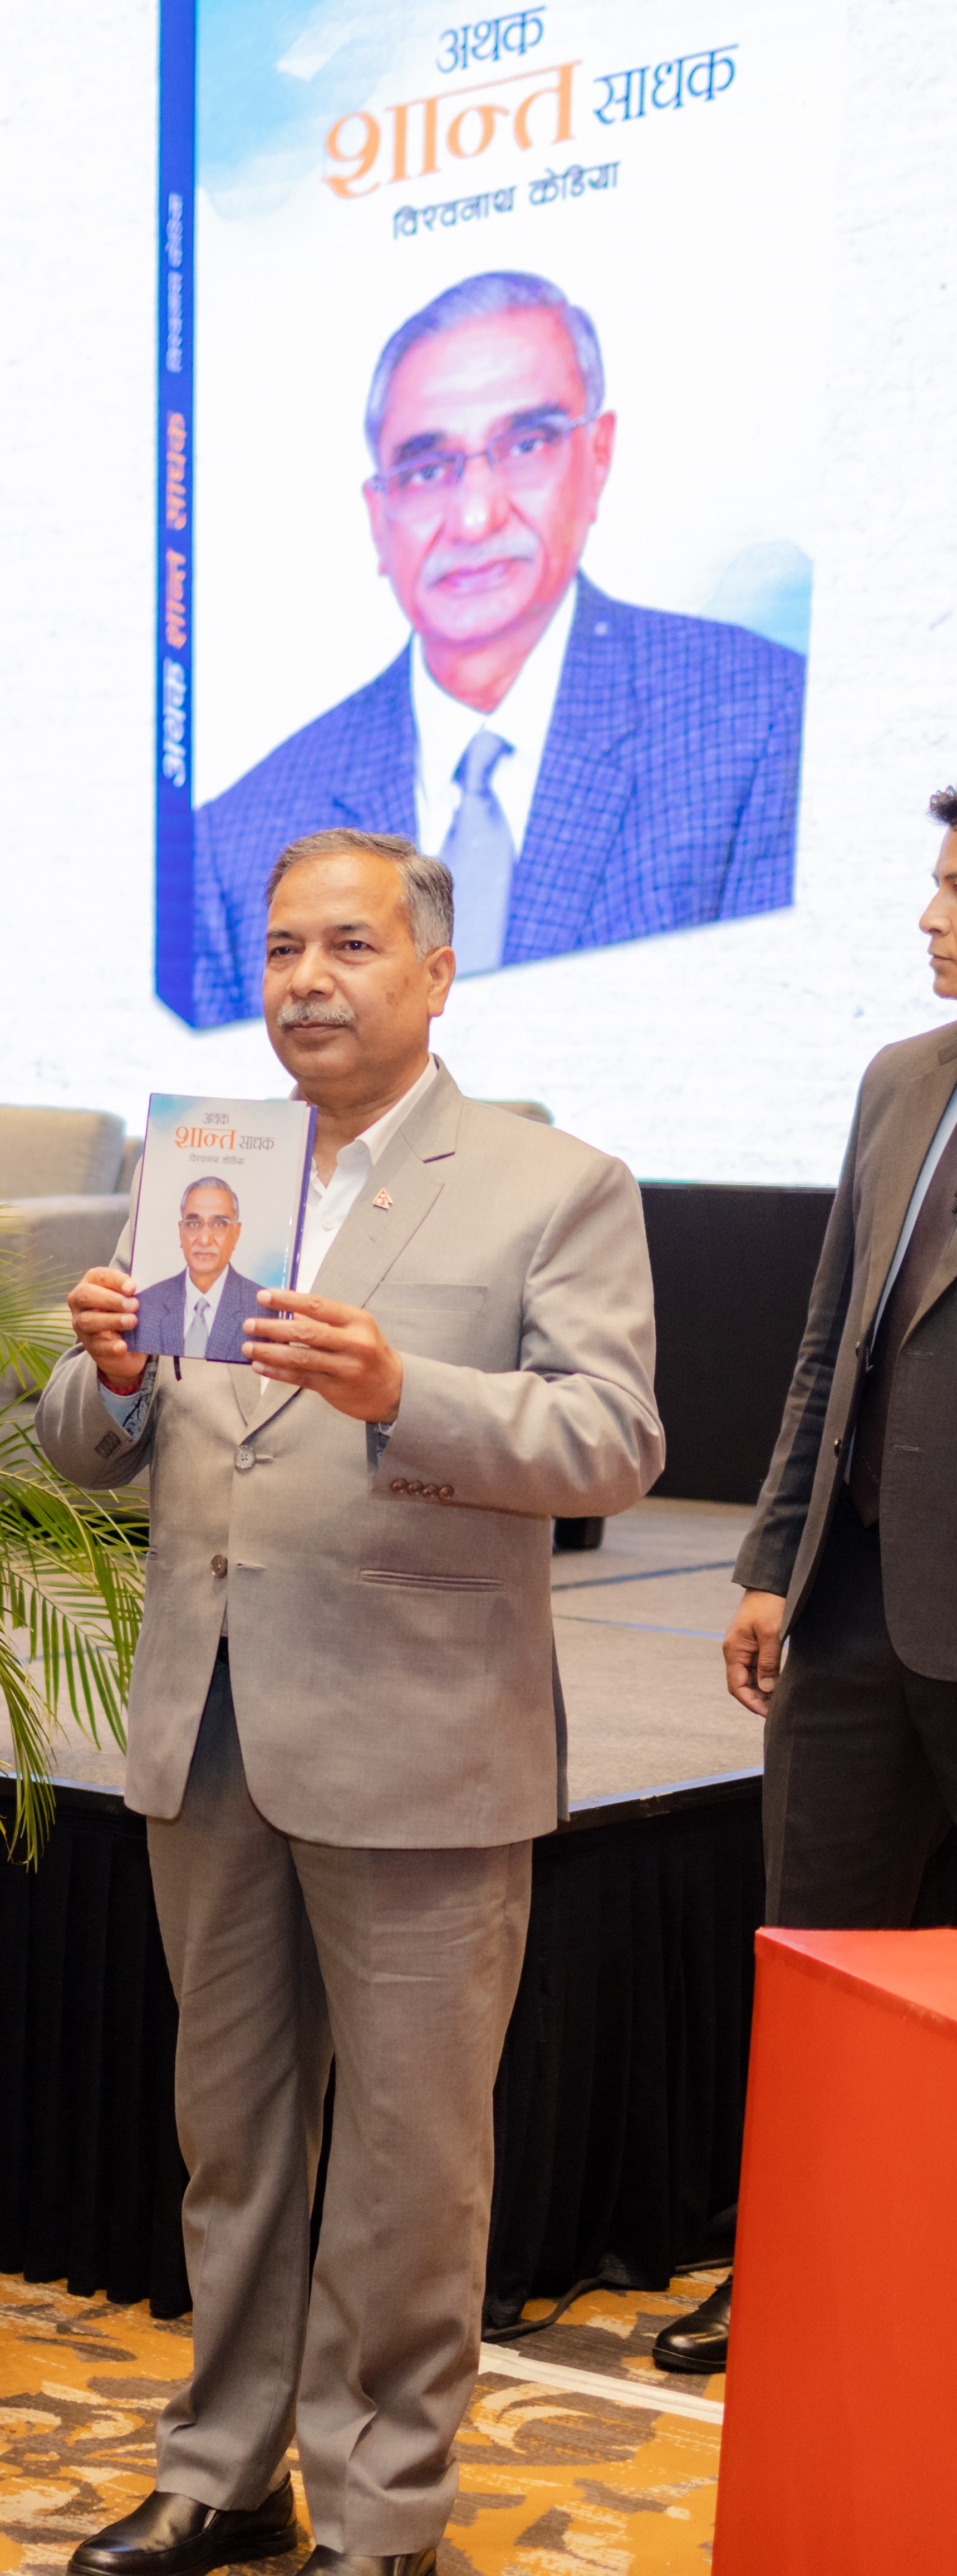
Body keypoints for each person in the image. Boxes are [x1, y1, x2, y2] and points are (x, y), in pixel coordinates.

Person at [40, 826, 661, 2575]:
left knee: (406, 2166)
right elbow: (93, 1443)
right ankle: (220, 2471)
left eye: (349, 947)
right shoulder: (202, 1161)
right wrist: (104, 1376)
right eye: (280, 951)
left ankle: (382, 2513)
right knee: (229, 2141)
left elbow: (614, 1439)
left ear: (436, 972)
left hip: (419, 1741)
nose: (306, 981)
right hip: (210, 1726)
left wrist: (407, 1393)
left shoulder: (553, 1181)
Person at [188, 271, 805, 1029]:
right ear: (379, 516)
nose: (475, 515)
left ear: (598, 457)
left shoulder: (760, 721)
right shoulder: (237, 840)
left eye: (525, 445)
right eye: (426, 470)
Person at [668, 786, 957, 2378]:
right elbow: (825, 1342)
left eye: (956, 890)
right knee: (815, 1960)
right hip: (845, 1606)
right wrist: (772, 1558)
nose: (929, 917)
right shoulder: (898, 1078)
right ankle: (781, 2267)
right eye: (934, 881)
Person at [139, 1176, 258, 1362]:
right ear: (181, 1232)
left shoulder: (262, 1311)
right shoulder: (145, 1307)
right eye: (194, 1224)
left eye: (219, 1224)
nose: (204, 1240)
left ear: (236, 1233)